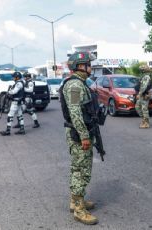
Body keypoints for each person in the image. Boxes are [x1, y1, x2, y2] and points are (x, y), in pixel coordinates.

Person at [60, 51, 98, 225]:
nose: (90, 67)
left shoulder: (80, 83)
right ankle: (79, 210)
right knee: (81, 170)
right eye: (88, 64)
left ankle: (76, 201)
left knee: (79, 168)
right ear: (79, 66)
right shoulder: (75, 85)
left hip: (82, 132)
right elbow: (75, 113)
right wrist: (84, 135)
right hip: (79, 134)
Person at [0, 72, 25, 136]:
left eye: (14, 77)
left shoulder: (19, 83)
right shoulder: (20, 82)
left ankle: (8, 131)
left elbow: (14, 91)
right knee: (20, 115)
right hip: (18, 101)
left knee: (10, 115)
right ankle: (22, 129)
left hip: (15, 102)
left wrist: (8, 92)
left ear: (17, 77)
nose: (13, 78)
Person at [135, 64, 152, 128]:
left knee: (144, 109)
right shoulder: (143, 76)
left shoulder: (147, 77)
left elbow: (144, 87)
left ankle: (146, 123)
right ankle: (144, 119)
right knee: (137, 107)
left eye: (142, 69)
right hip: (142, 95)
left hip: (145, 95)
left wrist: (139, 94)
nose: (141, 70)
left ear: (145, 70)